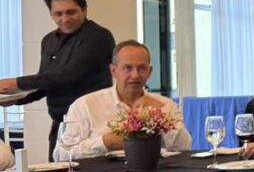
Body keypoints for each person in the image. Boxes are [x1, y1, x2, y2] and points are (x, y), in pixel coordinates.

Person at [0, 0, 115, 158]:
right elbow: (46, 83)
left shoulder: (98, 36)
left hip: (92, 127)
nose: (65, 19)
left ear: (84, 9)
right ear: (51, 14)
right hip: (60, 125)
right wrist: (16, 99)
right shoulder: (49, 40)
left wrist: (15, 83)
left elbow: (68, 76)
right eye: (58, 14)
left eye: (71, 12)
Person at [54, 40, 191, 161]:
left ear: (149, 72)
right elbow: (61, 155)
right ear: (113, 71)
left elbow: (185, 148)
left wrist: (162, 117)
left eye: (142, 68)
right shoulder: (85, 106)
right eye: (128, 68)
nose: (135, 75)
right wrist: (104, 143)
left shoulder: (165, 105)